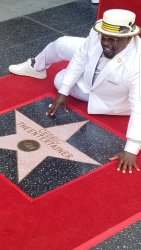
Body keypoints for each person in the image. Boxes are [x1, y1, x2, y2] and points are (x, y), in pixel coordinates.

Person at [9, 9, 141, 174]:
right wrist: (63, 92)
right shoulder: (98, 34)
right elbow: (80, 56)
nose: (106, 42)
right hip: (93, 74)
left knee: (58, 78)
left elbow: (139, 106)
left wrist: (131, 148)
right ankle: (36, 66)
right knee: (62, 46)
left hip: (112, 98)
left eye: (113, 39)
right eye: (104, 37)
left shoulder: (137, 64)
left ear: (129, 38)